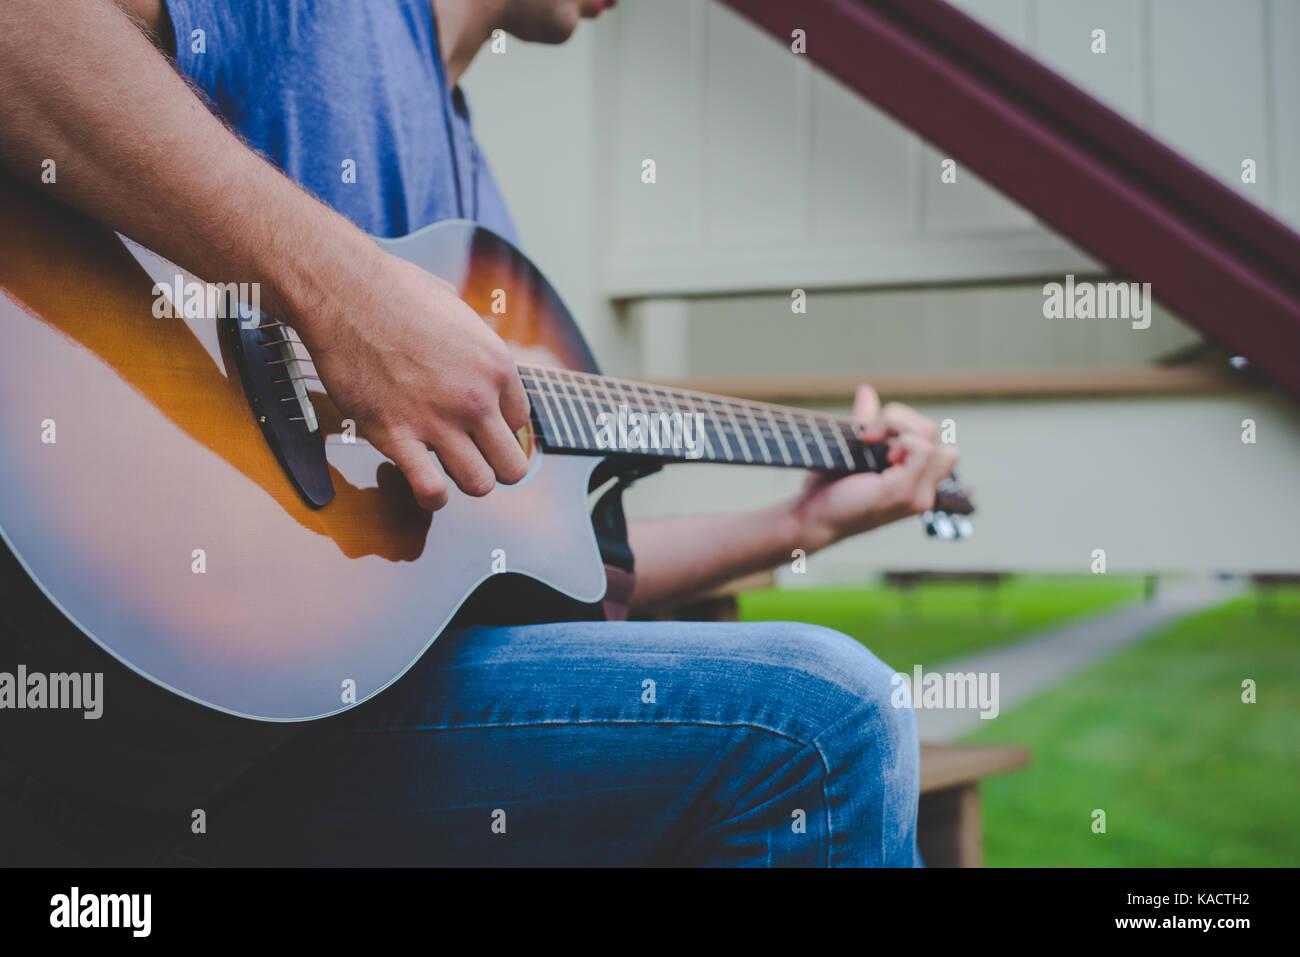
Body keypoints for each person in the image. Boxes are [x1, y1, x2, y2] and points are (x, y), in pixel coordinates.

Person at [0, 0, 958, 866]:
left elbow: (552, 566)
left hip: (353, 715)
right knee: (822, 724)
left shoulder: (483, 221)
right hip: (179, 728)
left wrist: (805, 522)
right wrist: (342, 294)